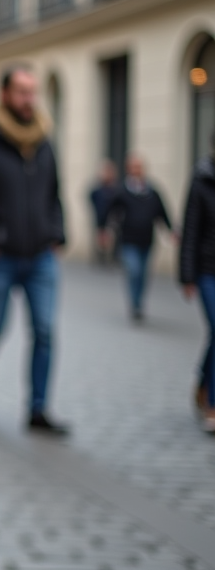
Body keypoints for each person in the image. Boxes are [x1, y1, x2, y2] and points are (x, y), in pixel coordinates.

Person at [0, 66, 69, 434]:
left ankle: (38, 409)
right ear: (4, 94)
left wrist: (57, 232)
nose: (28, 99)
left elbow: (54, 193)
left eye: (32, 92)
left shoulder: (44, 141)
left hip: (40, 256)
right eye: (21, 91)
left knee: (45, 330)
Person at [101, 153, 174, 322]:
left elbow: (161, 212)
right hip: (128, 240)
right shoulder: (122, 191)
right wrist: (104, 230)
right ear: (128, 170)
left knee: (143, 274)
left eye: (139, 167)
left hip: (147, 240)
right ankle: (134, 304)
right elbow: (109, 211)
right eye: (134, 167)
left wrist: (170, 230)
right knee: (134, 270)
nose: (137, 170)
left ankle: (139, 302)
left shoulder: (152, 192)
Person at [179, 146, 215, 434]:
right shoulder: (202, 178)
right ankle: (213, 406)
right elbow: (190, 228)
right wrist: (186, 275)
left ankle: (205, 381)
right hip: (207, 270)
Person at [89, 159, 119, 266]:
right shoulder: (98, 189)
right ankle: (100, 258)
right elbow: (91, 197)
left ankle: (110, 258)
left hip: (110, 220)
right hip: (100, 219)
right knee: (100, 239)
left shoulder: (115, 189)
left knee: (109, 239)